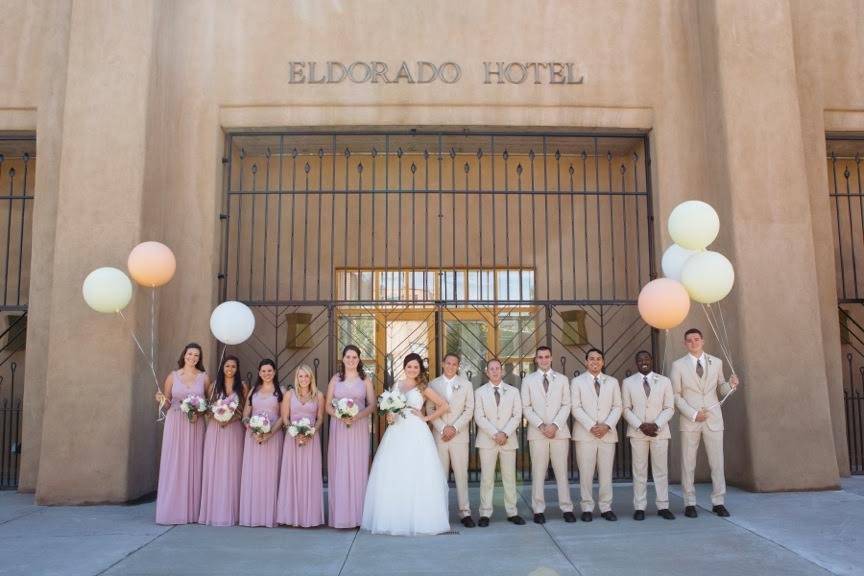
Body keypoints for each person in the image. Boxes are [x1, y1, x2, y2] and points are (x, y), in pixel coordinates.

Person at [361, 353, 451, 535]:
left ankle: (420, 519)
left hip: (416, 430)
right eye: (409, 366)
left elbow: (444, 405)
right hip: (396, 430)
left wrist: (426, 417)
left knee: (416, 471)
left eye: (416, 367)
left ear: (420, 369)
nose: (412, 370)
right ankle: (396, 517)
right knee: (395, 471)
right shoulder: (397, 385)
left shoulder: (423, 386)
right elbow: (391, 407)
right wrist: (389, 416)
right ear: (404, 367)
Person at [670, 328, 740, 518]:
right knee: (688, 463)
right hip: (690, 420)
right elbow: (675, 395)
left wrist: (731, 385)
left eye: (697, 339)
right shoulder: (678, 365)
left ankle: (719, 502)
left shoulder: (716, 362)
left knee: (717, 462)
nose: (693, 342)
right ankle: (689, 503)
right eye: (689, 340)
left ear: (703, 341)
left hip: (713, 419)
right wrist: (693, 414)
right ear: (684, 343)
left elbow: (722, 389)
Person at [154, 343, 209, 525]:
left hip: (195, 425)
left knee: (194, 462)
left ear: (199, 359)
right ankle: (171, 511)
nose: (192, 357)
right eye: (190, 354)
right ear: (184, 355)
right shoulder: (172, 376)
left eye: (196, 355)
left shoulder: (204, 378)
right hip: (175, 422)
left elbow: (209, 405)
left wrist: (198, 414)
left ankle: (193, 512)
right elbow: (168, 403)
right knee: (174, 463)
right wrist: (161, 400)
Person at [521, 346, 575, 524]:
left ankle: (566, 507)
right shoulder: (528, 380)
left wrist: (555, 425)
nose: (544, 360)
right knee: (538, 472)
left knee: (561, 472)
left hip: (559, 433)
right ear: (536, 360)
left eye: (547, 357)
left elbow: (566, 405)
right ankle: (538, 509)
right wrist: (542, 425)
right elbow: (526, 407)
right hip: (538, 433)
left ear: (551, 358)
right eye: (540, 357)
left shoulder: (562, 379)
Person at [325, 345, 377, 528]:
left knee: (357, 467)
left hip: (359, 427)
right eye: (348, 356)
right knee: (340, 467)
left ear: (359, 359)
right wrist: (340, 416)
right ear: (343, 359)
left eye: (354, 357)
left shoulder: (366, 380)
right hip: (339, 428)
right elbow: (327, 406)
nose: (351, 360)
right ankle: (340, 516)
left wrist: (357, 416)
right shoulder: (335, 379)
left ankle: (358, 516)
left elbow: (372, 405)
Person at [621, 350, 675, 521]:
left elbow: (669, 408)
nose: (643, 362)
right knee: (639, 471)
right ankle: (639, 507)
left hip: (659, 432)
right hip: (638, 433)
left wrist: (656, 425)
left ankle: (663, 505)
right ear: (636, 363)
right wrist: (640, 425)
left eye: (646, 359)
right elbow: (626, 409)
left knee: (661, 470)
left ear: (652, 360)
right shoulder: (628, 382)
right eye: (640, 360)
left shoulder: (665, 381)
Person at [571, 348, 621, 522]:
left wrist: (606, 426)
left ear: (603, 362)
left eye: (598, 359)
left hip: (607, 434)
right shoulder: (577, 382)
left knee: (606, 472)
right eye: (591, 359)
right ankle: (586, 507)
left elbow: (617, 407)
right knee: (586, 473)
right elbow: (575, 407)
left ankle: (606, 507)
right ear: (586, 362)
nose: (595, 362)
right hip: (585, 434)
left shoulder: (613, 382)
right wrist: (592, 426)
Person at [426, 353, 476, 527]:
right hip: (440, 436)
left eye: (454, 364)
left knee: (461, 475)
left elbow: (469, 410)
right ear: (442, 364)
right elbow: (430, 409)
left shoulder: (466, 385)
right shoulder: (433, 384)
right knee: (440, 476)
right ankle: (440, 512)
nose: (451, 366)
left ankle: (465, 512)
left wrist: (453, 428)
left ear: (458, 366)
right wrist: (442, 428)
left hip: (459, 436)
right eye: (448, 363)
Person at [474, 358, 524, 526]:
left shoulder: (513, 391)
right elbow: (479, 416)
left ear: (502, 371)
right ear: (487, 372)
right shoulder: (479, 392)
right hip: (487, 440)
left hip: (508, 441)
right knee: (487, 478)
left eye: (497, 368)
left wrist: (505, 433)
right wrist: (495, 433)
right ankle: (485, 513)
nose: (495, 371)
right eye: (491, 369)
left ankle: (512, 512)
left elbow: (517, 415)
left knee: (509, 477)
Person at [199, 354, 247, 526]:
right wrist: (218, 417)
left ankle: (232, 510)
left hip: (233, 430)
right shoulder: (213, 385)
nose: (230, 369)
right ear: (222, 367)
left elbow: (243, 411)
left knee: (232, 467)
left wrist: (230, 419)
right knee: (216, 466)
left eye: (233, 366)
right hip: (215, 429)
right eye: (227, 366)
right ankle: (213, 510)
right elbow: (206, 408)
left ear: (237, 369)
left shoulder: (242, 386)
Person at [276, 364, 325, 527]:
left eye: (307, 376)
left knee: (310, 475)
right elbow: (285, 418)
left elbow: (320, 419)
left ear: (311, 378)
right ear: (296, 378)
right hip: (292, 439)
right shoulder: (290, 395)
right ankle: (290, 516)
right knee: (292, 475)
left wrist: (311, 432)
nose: (303, 379)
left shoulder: (318, 395)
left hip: (311, 440)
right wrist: (294, 432)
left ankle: (309, 517)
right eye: (300, 376)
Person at [238, 359, 284, 527]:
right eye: (263, 371)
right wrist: (251, 428)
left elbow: (282, 417)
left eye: (270, 371)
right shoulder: (253, 391)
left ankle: (269, 516)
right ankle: (253, 514)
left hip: (273, 437)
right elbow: (245, 414)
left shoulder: (281, 391)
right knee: (254, 475)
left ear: (274, 372)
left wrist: (269, 433)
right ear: (259, 373)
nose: (266, 374)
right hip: (253, 438)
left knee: (270, 475)